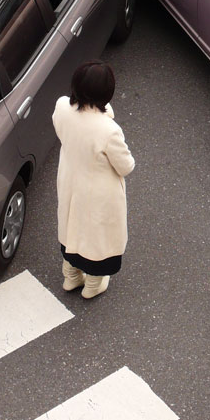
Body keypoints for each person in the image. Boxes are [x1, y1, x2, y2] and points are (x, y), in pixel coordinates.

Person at [52, 60, 135, 299]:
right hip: (98, 193)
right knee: (97, 239)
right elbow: (126, 166)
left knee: (71, 228)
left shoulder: (61, 108)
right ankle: (93, 285)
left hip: (70, 180)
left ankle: (71, 277)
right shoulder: (109, 130)